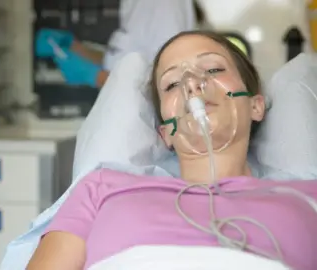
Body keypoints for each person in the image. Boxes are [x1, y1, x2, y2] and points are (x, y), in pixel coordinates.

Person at [26, 31, 317, 270]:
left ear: (255, 106)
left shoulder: (307, 197)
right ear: (165, 132)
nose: (192, 86)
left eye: (213, 69)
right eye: (172, 84)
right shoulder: (102, 189)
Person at [35, 0, 203, 88]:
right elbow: (125, 61)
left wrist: (96, 77)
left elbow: (163, 85)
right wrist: (74, 47)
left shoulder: (164, 5)